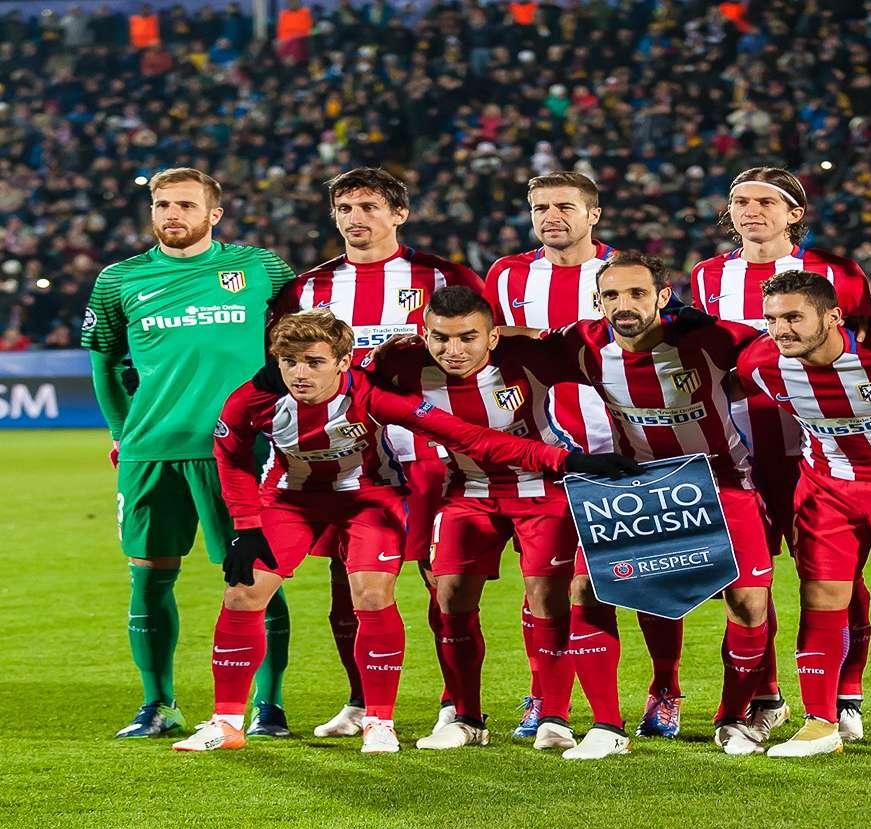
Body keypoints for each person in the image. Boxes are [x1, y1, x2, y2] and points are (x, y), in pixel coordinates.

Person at [172, 310, 638, 753]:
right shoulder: (251, 399)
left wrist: (566, 459)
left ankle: (379, 722)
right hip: (288, 500)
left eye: (314, 362)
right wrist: (247, 526)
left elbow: (468, 437)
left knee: (372, 597)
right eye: (289, 362)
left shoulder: (373, 395)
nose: (300, 373)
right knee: (241, 595)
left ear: (342, 361)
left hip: (369, 499)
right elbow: (229, 456)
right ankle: (226, 722)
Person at [526, 251, 785, 759]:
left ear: (664, 297)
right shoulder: (584, 345)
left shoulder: (709, 338)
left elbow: (776, 341)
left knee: (750, 602)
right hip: (641, 484)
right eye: (613, 295)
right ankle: (611, 723)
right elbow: (514, 345)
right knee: (586, 586)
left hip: (722, 481)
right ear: (597, 300)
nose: (625, 304)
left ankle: (734, 718)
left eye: (638, 293)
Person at [81, 167, 296, 740]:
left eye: (184, 204)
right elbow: (102, 363)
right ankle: (158, 704)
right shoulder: (118, 280)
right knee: (149, 578)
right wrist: (124, 432)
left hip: (238, 451)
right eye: (162, 204)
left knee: (254, 578)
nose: (171, 214)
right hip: (151, 452)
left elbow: (302, 340)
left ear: (214, 213)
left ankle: (267, 706)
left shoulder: (260, 269)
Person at [273, 166, 486, 741]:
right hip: (344, 456)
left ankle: (457, 704)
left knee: (442, 580)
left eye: (369, 207)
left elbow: (478, 351)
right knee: (349, 582)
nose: (356, 219)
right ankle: (361, 700)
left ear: (399, 213)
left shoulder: (441, 276)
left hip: (429, 452)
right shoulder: (308, 288)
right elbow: (283, 365)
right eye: (345, 208)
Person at [485, 172, 686, 741]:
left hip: (628, 452)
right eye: (539, 207)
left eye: (565, 207)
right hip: (551, 453)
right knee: (545, 586)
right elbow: (490, 344)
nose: (551, 217)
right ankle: (545, 695)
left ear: (593, 214)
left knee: (643, 583)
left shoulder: (622, 273)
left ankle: (665, 688)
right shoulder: (508, 273)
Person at [734, 271, 871, 759]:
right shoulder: (760, 364)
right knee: (819, 600)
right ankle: (820, 723)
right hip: (827, 487)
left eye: (794, 317)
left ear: (834, 316)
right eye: (772, 319)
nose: (781, 330)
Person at [690, 166, 871, 742]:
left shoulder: (836, 274)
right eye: (740, 201)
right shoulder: (706, 278)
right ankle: (766, 695)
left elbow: (869, 350)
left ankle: (846, 696)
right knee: (747, 582)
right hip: (739, 452)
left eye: (766, 202)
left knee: (838, 578)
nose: (751, 212)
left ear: (794, 213)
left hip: (822, 449)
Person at [366, 285, 585, 752]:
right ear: (423, 335)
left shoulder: (530, 355)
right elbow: (344, 380)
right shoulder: (400, 364)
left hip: (540, 489)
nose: (453, 350)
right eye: (440, 338)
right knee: (450, 596)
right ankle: (465, 716)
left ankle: (554, 716)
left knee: (547, 596)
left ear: (493, 337)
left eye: (468, 337)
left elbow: (600, 349)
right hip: (466, 491)